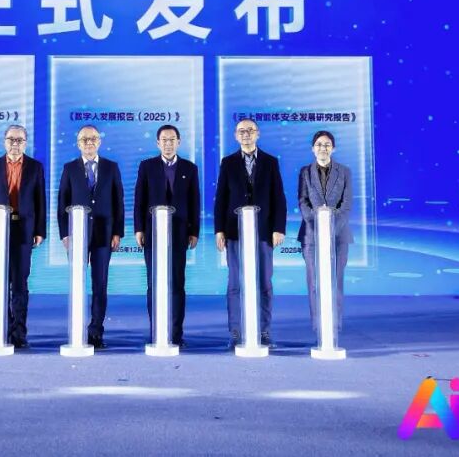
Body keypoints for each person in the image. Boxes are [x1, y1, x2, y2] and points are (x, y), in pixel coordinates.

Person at [213, 118, 287, 348]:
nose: (246, 134)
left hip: (263, 232)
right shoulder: (228, 163)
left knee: (264, 282)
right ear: (236, 136)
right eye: (241, 131)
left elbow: (278, 197)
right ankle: (236, 331)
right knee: (235, 283)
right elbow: (221, 198)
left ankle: (264, 331)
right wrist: (219, 230)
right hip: (234, 232)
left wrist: (278, 228)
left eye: (250, 130)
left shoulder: (270, 162)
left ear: (258, 134)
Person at [0, 124, 46, 350]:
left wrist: (40, 231)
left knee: (20, 283)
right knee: (1, 281)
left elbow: (40, 201)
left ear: (25, 143)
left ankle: (19, 332)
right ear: (4, 141)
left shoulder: (35, 167)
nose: (15, 144)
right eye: (11, 139)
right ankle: (2, 329)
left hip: (24, 230)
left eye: (19, 140)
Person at [57, 125, 124, 349]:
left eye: (93, 138)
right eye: (84, 139)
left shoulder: (111, 167)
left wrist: (117, 232)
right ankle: (76, 329)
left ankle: (96, 331)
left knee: (100, 283)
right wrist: (65, 234)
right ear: (78, 144)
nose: (89, 142)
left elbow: (118, 202)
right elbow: (62, 203)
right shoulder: (69, 168)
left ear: (99, 142)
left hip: (104, 234)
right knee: (78, 282)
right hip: (77, 234)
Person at [134, 124, 200, 348]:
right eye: (164, 140)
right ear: (157, 143)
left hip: (180, 233)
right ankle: (157, 330)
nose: (168, 144)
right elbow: (139, 200)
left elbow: (194, 201)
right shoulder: (147, 166)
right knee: (154, 283)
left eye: (172, 140)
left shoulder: (190, 168)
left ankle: (176, 333)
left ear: (178, 142)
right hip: (153, 233)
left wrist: (194, 231)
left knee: (177, 283)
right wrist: (139, 229)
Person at [298, 129, 353, 336]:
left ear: (333, 148)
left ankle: (334, 326)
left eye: (327, 144)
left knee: (335, 282)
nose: (323, 148)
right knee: (314, 282)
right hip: (311, 234)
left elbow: (346, 205)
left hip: (339, 235)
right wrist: (317, 224)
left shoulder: (344, 172)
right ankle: (318, 327)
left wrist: (330, 228)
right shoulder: (305, 172)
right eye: (319, 144)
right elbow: (303, 202)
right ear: (313, 149)